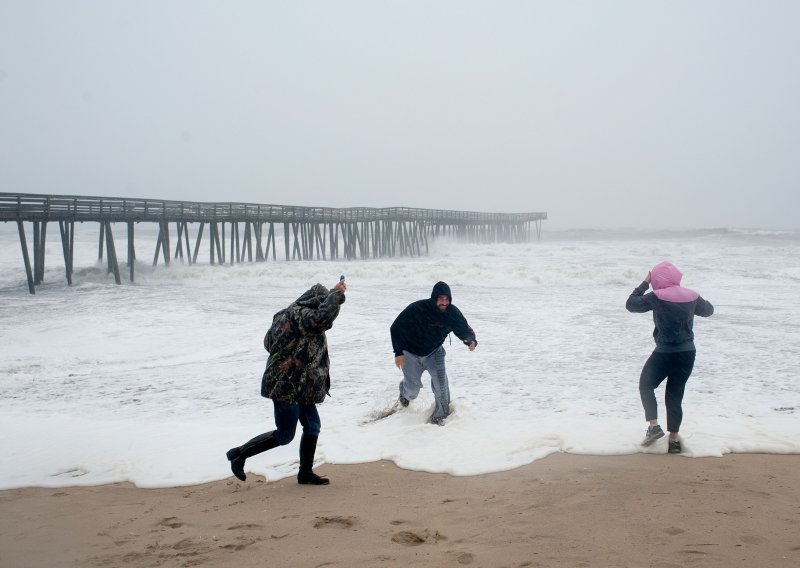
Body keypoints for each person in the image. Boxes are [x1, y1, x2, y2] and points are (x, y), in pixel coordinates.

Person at [226, 278, 346, 484]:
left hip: (303, 385)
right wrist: (336, 296)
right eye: (322, 303)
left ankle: (305, 473)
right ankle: (239, 454)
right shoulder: (298, 314)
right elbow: (321, 319)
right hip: (286, 385)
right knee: (285, 435)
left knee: (313, 426)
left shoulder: (286, 314)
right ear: (315, 302)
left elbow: (268, 342)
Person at [626, 261, 714, 454]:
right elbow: (709, 310)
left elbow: (631, 304)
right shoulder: (691, 295)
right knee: (674, 395)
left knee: (646, 385)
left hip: (665, 353)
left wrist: (644, 283)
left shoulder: (657, 296)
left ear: (657, 279)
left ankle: (654, 427)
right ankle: (673, 441)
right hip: (688, 353)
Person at [390, 281, 477, 426]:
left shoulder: (452, 312)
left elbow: (463, 328)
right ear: (434, 298)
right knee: (412, 391)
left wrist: (470, 340)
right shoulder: (418, 308)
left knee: (441, 385)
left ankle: (440, 419)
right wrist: (398, 352)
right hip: (410, 353)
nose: (444, 302)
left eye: (447, 299)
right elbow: (395, 327)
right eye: (441, 298)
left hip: (434, 353)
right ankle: (403, 392)